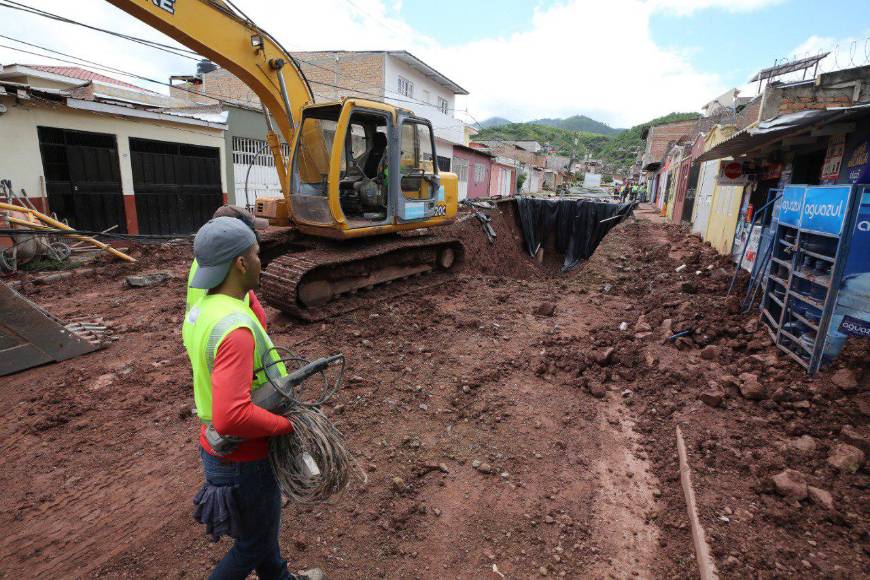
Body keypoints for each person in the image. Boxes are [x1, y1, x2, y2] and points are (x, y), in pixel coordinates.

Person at [183, 217, 322, 580]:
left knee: (259, 533)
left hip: (218, 448)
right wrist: (285, 425)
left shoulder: (203, 310)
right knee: (253, 545)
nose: (263, 262)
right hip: (245, 459)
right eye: (258, 255)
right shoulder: (236, 329)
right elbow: (233, 416)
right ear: (241, 264)